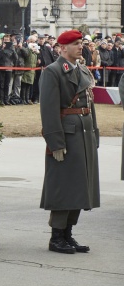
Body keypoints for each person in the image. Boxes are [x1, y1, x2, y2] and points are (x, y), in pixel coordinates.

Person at [39, 29, 100, 254]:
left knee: (80, 187)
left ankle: (68, 234)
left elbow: (90, 104)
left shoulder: (82, 69)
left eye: (81, 43)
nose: (80, 47)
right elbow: (49, 110)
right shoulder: (53, 71)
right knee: (64, 186)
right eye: (75, 44)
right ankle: (56, 237)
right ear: (63, 48)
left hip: (84, 133)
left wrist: (95, 132)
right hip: (67, 135)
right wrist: (55, 143)